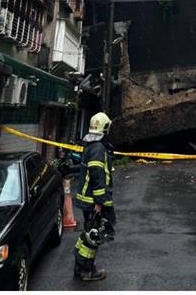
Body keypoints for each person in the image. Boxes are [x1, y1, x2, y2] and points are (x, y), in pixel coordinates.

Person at [72, 112, 116, 282]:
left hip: (88, 200)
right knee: (93, 236)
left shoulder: (91, 145)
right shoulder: (98, 148)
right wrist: (100, 202)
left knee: (88, 234)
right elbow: (97, 175)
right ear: (105, 127)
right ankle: (87, 271)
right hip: (93, 201)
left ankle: (80, 268)